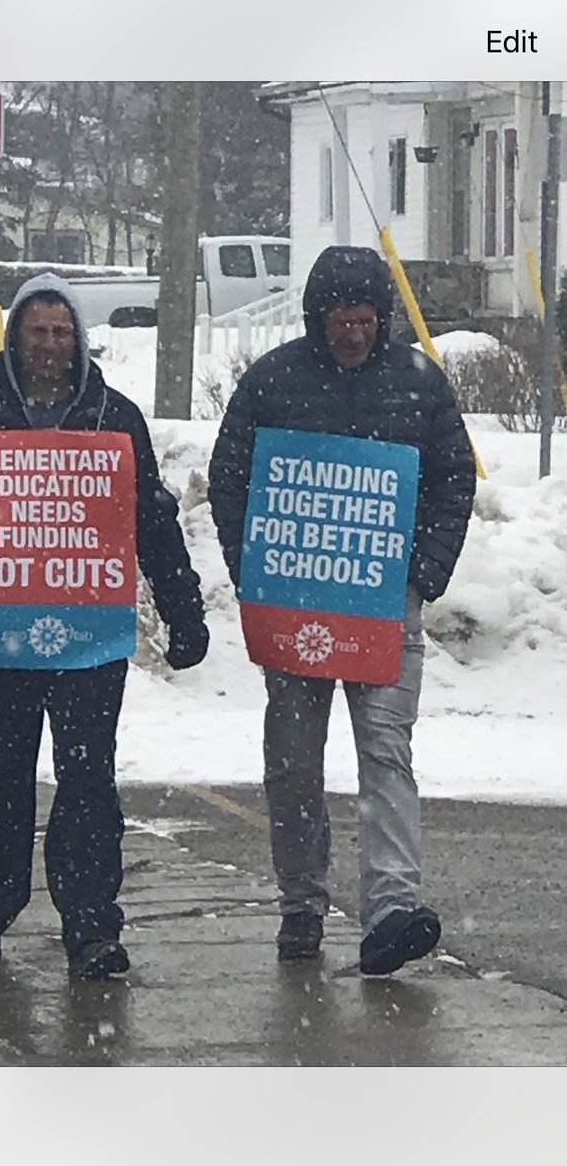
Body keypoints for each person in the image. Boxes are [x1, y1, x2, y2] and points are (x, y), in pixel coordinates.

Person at [0, 273, 209, 981]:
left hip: (87, 637)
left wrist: (183, 609)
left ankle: (93, 928)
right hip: (0, 637)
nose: (48, 345)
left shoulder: (113, 418)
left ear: (79, 341)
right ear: (15, 340)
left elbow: (151, 523)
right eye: (35, 331)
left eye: (60, 332)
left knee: (88, 783)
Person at [208, 246, 476, 974]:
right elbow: (230, 479)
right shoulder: (271, 381)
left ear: (380, 319)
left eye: (364, 320)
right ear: (316, 317)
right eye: (340, 320)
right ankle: (302, 900)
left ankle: (392, 909)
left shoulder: (417, 383)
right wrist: (253, 572)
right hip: (296, 602)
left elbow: (453, 479)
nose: (353, 334)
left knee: (386, 753)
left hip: (388, 605)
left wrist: (422, 574)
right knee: (294, 760)